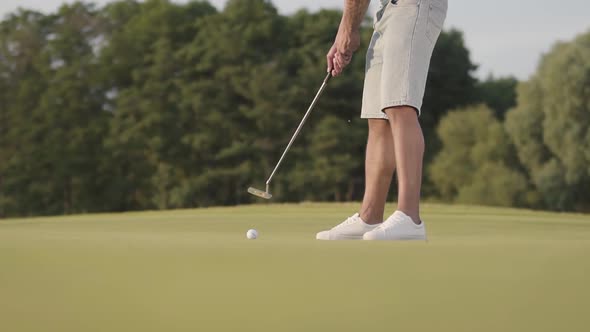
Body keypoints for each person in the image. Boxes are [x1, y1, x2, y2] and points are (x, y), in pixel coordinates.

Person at [316, 0, 448, 240]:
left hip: (415, 5)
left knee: (400, 104)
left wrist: (348, 30)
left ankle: (410, 218)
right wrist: (346, 29)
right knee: (377, 116)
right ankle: (370, 217)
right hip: (387, 10)